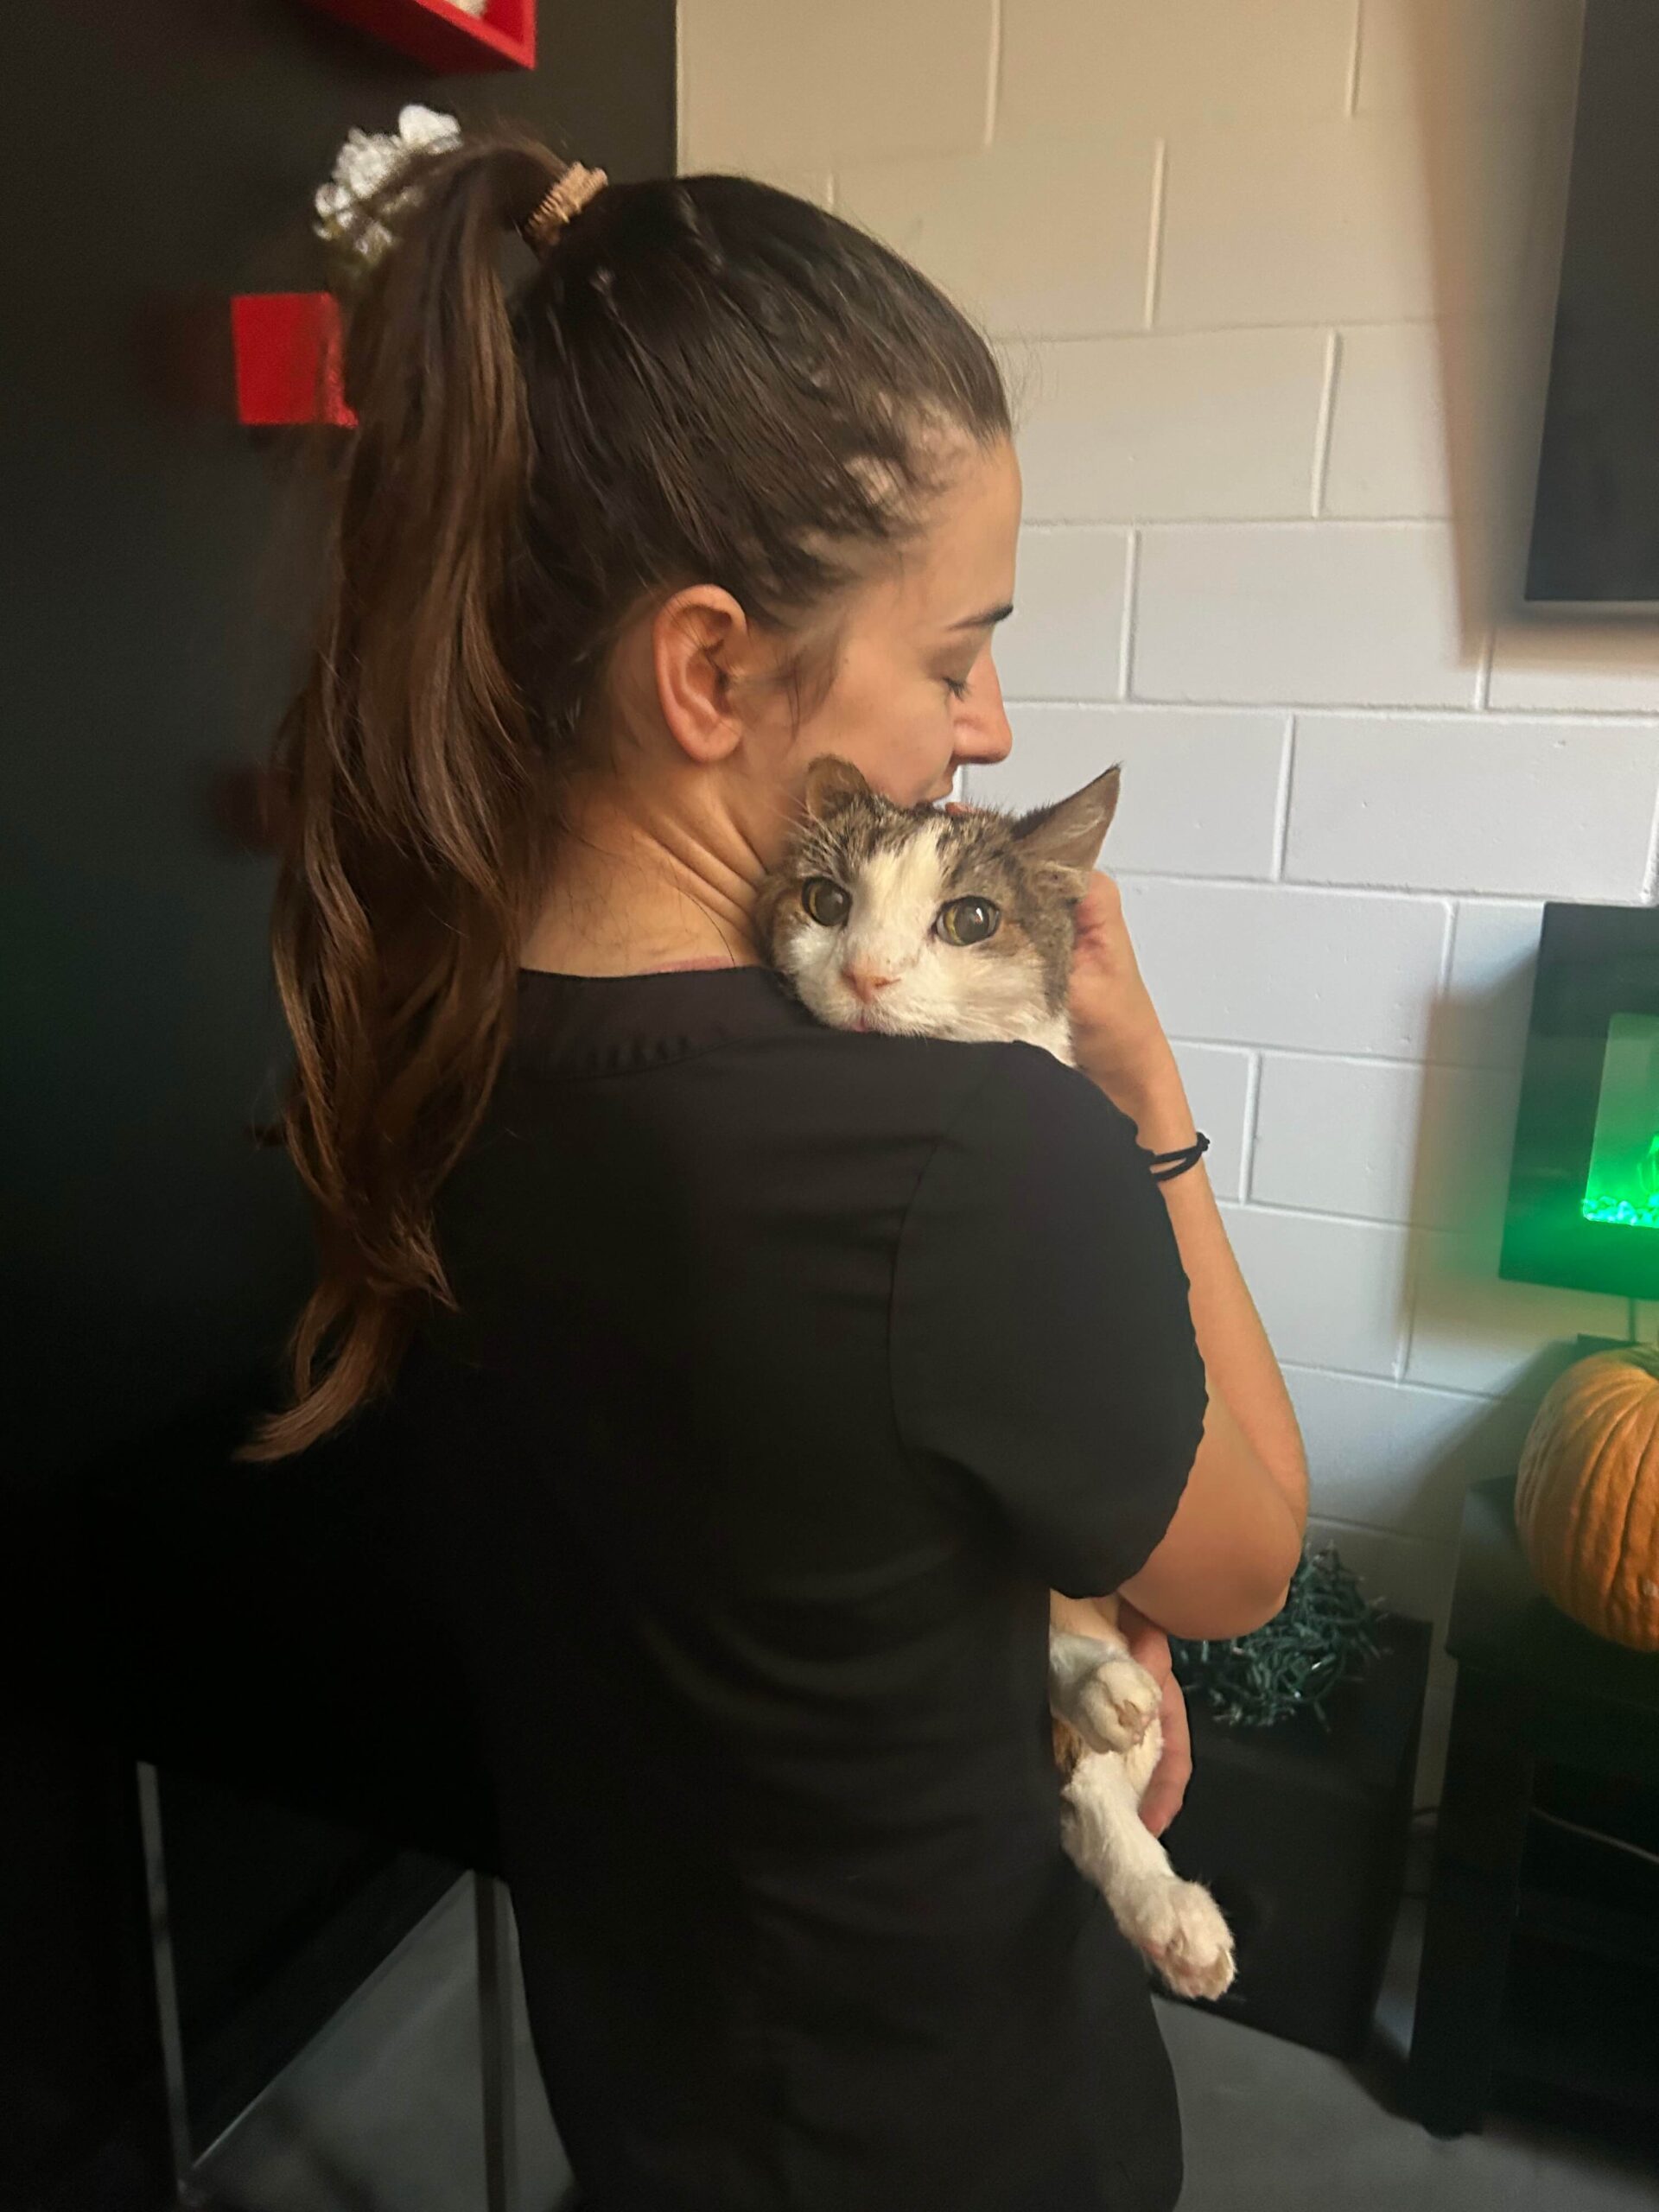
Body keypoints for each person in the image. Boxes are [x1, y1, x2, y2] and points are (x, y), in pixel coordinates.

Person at [245, 126, 1308, 2212]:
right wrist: (1144, 1084)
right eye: (953, 652)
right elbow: (1247, 1561)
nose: (989, 726)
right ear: (714, 671)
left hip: (654, 2069)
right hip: (945, 2127)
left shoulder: (434, 1028)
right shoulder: (964, 1147)